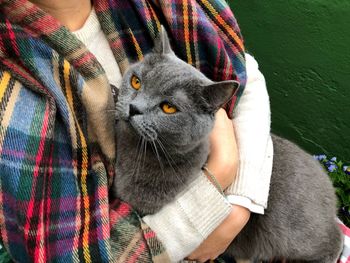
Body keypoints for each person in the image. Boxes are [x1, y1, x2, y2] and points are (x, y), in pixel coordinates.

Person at [0, 0, 272, 262]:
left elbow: (244, 76)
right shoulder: (10, 83)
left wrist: (239, 199)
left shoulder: (162, 8)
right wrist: (214, 184)